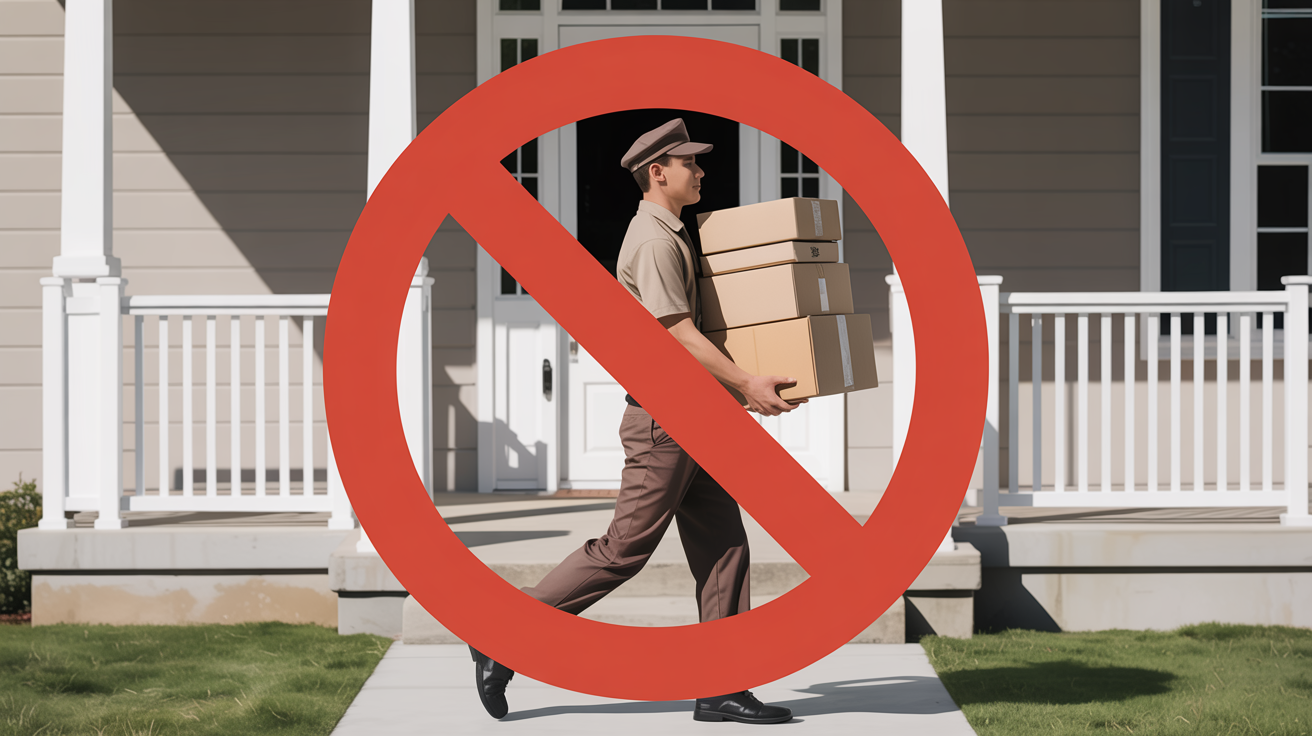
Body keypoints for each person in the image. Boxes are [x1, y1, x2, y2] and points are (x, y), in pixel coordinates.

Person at [471, 118, 801, 724]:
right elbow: (676, 333)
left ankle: (722, 686)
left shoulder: (673, 232)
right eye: (691, 164)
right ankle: (505, 637)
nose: (701, 172)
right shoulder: (652, 240)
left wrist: (737, 391)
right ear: (658, 172)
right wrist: (746, 382)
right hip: (666, 422)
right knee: (625, 548)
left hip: (696, 417)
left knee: (725, 549)